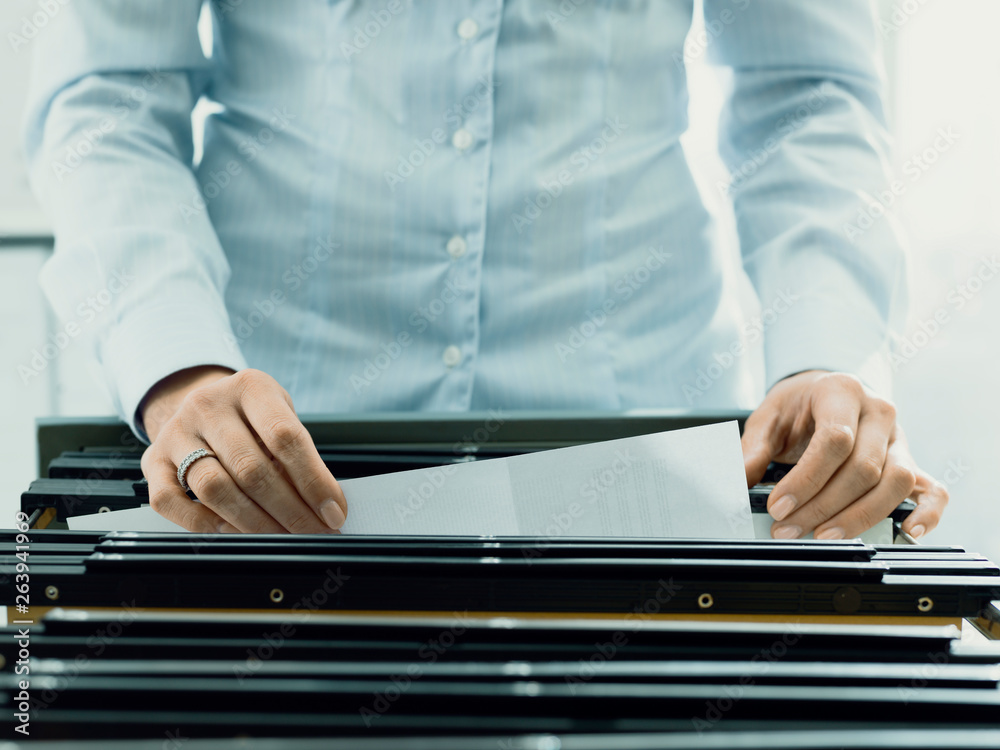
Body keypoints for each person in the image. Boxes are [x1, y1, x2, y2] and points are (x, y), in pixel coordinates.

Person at [23, 0, 948, 539]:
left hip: (644, 440)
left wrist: (828, 352)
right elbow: (110, 96)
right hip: (265, 446)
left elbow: (807, 94)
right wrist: (178, 365)